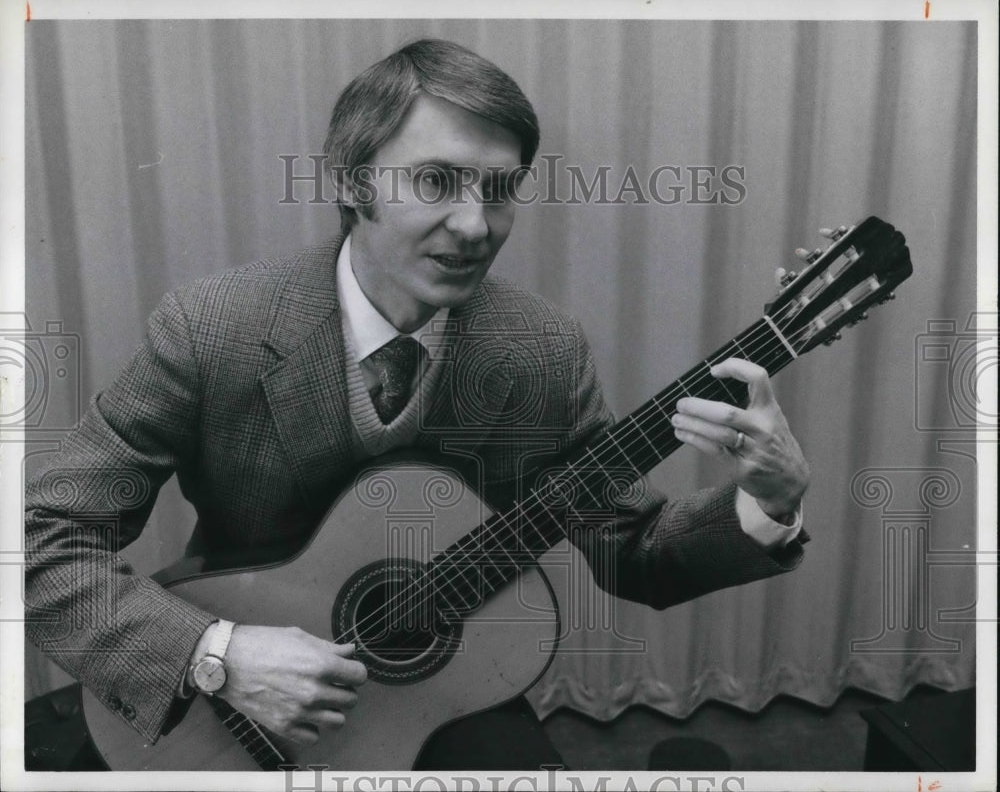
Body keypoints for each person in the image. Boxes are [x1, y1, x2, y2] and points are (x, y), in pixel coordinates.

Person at [24, 38, 809, 770]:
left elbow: (629, 547)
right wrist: (219, 655)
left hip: (430, 697)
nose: (475, 226)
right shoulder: (213, 329)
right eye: (435, 181)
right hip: (217, 705)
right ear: (350, 178)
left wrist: (768, 501)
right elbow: (41, 535)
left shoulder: (539, 350)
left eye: (499, 191)